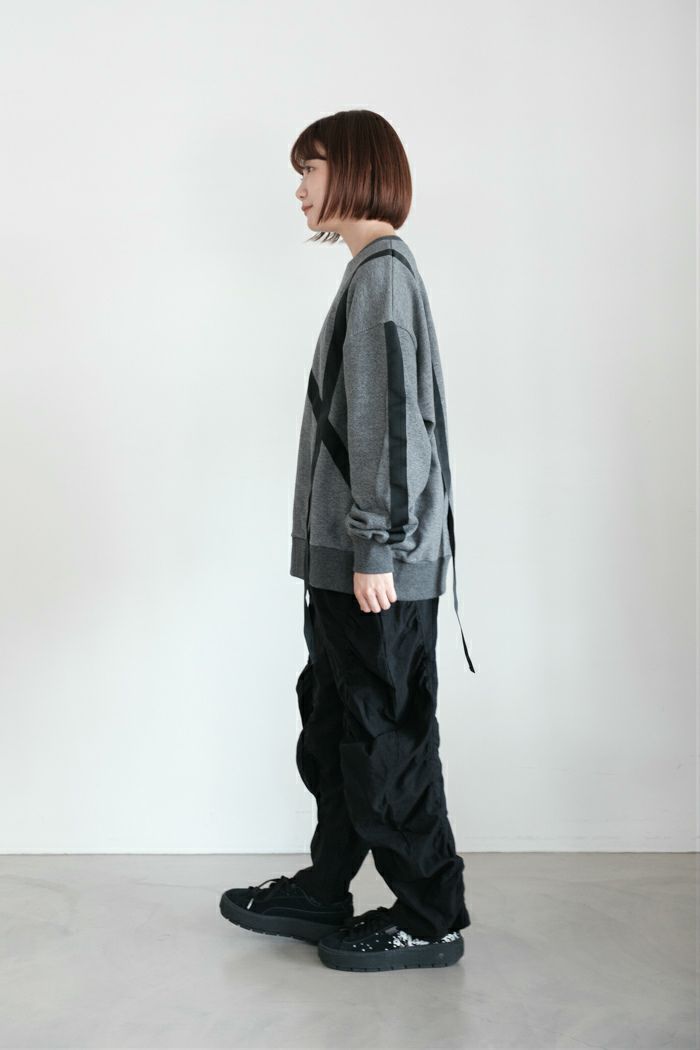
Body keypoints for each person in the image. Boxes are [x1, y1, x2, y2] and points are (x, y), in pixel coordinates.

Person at [220, 109, 476, 973]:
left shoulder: (383, 279)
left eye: (313, 167)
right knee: (337, 726)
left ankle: (430, 916)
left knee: (384, 738)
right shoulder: (369, 274)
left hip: (378, 567)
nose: (300, 187)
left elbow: (391, 425)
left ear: (357, 170)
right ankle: (327, 887)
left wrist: (376, 547)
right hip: (352, 565)